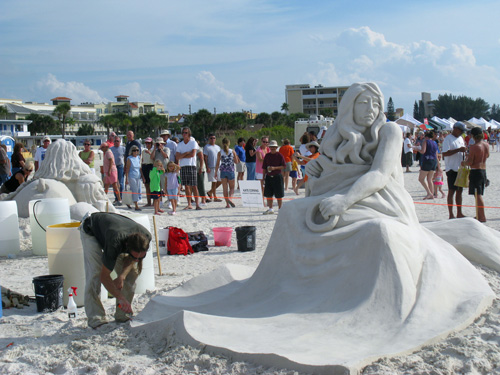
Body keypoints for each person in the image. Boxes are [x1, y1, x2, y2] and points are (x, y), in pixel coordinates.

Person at [79, 212, 151, 329]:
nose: (137, 260)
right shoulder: (115, 242)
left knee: (131, 273)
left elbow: (131, 259)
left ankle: (123, 315)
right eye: (135, 256)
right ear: (127, 246)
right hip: (91, 230)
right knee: (95, 274)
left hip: (112, 232)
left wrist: (121, 276)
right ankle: (96, 319)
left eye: (140, 257)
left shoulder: (145, 238)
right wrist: (120, 297)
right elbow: (104, 277)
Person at [463, 127, 489, 222]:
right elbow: (488, 155)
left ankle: (482, 216)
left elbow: (470, 162)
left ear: (473, 136)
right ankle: (479, 215)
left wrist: (463, 162)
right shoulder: (486, 144)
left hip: (476, 170)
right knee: (479, 193)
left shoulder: (474, 147)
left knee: (478, 195)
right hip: (483, 170)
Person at [442, 121, 467, 219]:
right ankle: (451, 214)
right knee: (451, 191)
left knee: (460, 191)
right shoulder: (448, 139)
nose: (461, 133)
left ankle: (459, 212)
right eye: (461, 131)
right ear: (455, 129)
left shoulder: (460, 138)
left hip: (460, 168)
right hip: (451, 168)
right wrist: (458, 150)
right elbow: (445, 153)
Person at [176, 127, 202, 210]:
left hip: (191, 166)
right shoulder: (180, 144)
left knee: (194, 186)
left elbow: (192, 154)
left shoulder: (193, 142)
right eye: (183, 132)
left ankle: (197, 204)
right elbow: (177, 157)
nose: (184, 134)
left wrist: (183, 155)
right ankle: (189, 203)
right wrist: (186, 153)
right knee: (186, 186)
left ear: (189, 134)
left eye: (186, 132)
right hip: (183, 166)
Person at [262, 140, 286, 214]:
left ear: (276, 147)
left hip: (277, 176)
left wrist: (274, 168)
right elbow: (264, 167)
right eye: (271, 147)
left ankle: (280, 208)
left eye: (274, 147)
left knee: (279, 194)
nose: (272, 148)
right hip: (269, 176)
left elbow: (283, 166)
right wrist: (263, 177)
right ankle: (270, 208)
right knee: (268, 194)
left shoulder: (280, 155)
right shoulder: (267, 155)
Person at [216, 138, 239, 208]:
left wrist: (215, 173)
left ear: (222, 144)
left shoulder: (220, 152)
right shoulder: (232, 151)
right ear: (229, 143)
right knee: (232, 188)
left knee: (225, 188)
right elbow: (236, 162)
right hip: (230, 170)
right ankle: (230, 198)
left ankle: (227, 204)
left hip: (223, 171)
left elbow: (217, 164)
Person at [417, 130, 438, 200]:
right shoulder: (434, 143)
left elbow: (423, 151)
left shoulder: (425, 141)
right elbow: (436, 154)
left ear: (426, 136)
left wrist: (417, 149)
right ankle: (431, 194)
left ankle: (429, 193)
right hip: (434, 161)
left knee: (421, 179)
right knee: (429, 179)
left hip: (427, 160)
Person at [203, 133, 222, 202]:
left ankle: (210, 192)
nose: (212, 139)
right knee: (214, 182)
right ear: (209, 139)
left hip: (219, 166)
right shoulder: (207, 147)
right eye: (211, 138)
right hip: (211, 166)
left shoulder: (218, 147)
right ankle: (215, 197)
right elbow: (205, 158)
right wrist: (207, 167)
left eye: (214, 138)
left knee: (220, 181)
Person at [125, 145, 143, 211]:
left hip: (138, 175)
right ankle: (136, 205)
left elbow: (140, 168)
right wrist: (126, 179)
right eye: (134, 150)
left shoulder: (138, 157)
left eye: (137, 150)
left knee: (138, 190)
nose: (136, 152)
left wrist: (142, 176)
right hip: (132, 175)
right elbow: (127, 169)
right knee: (134, 189)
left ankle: (129, 202)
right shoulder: (129, 158)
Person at [110, 137, 126, 204]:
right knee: (114, 183)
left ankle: (121, 197)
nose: (116, 142)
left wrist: (125, 166)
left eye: (118, 141)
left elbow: (125, 158)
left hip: (120, 166)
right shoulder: (111, 149)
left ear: (120, 141)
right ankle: (116, 197)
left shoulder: (123, 148)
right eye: (115, 141)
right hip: (113, 167)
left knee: (121, 183)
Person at [140, 137, 154, 207]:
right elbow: (142, 160)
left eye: (148, 143)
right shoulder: (143, 151)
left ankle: (154, 202)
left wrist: (149, 153)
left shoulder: (153, 150)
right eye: (146, 143)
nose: (147, 144)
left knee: (152, 185)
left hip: (151, 166)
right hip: (144, 166)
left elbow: (154, 159)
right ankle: (149, 202)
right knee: (146, 185)